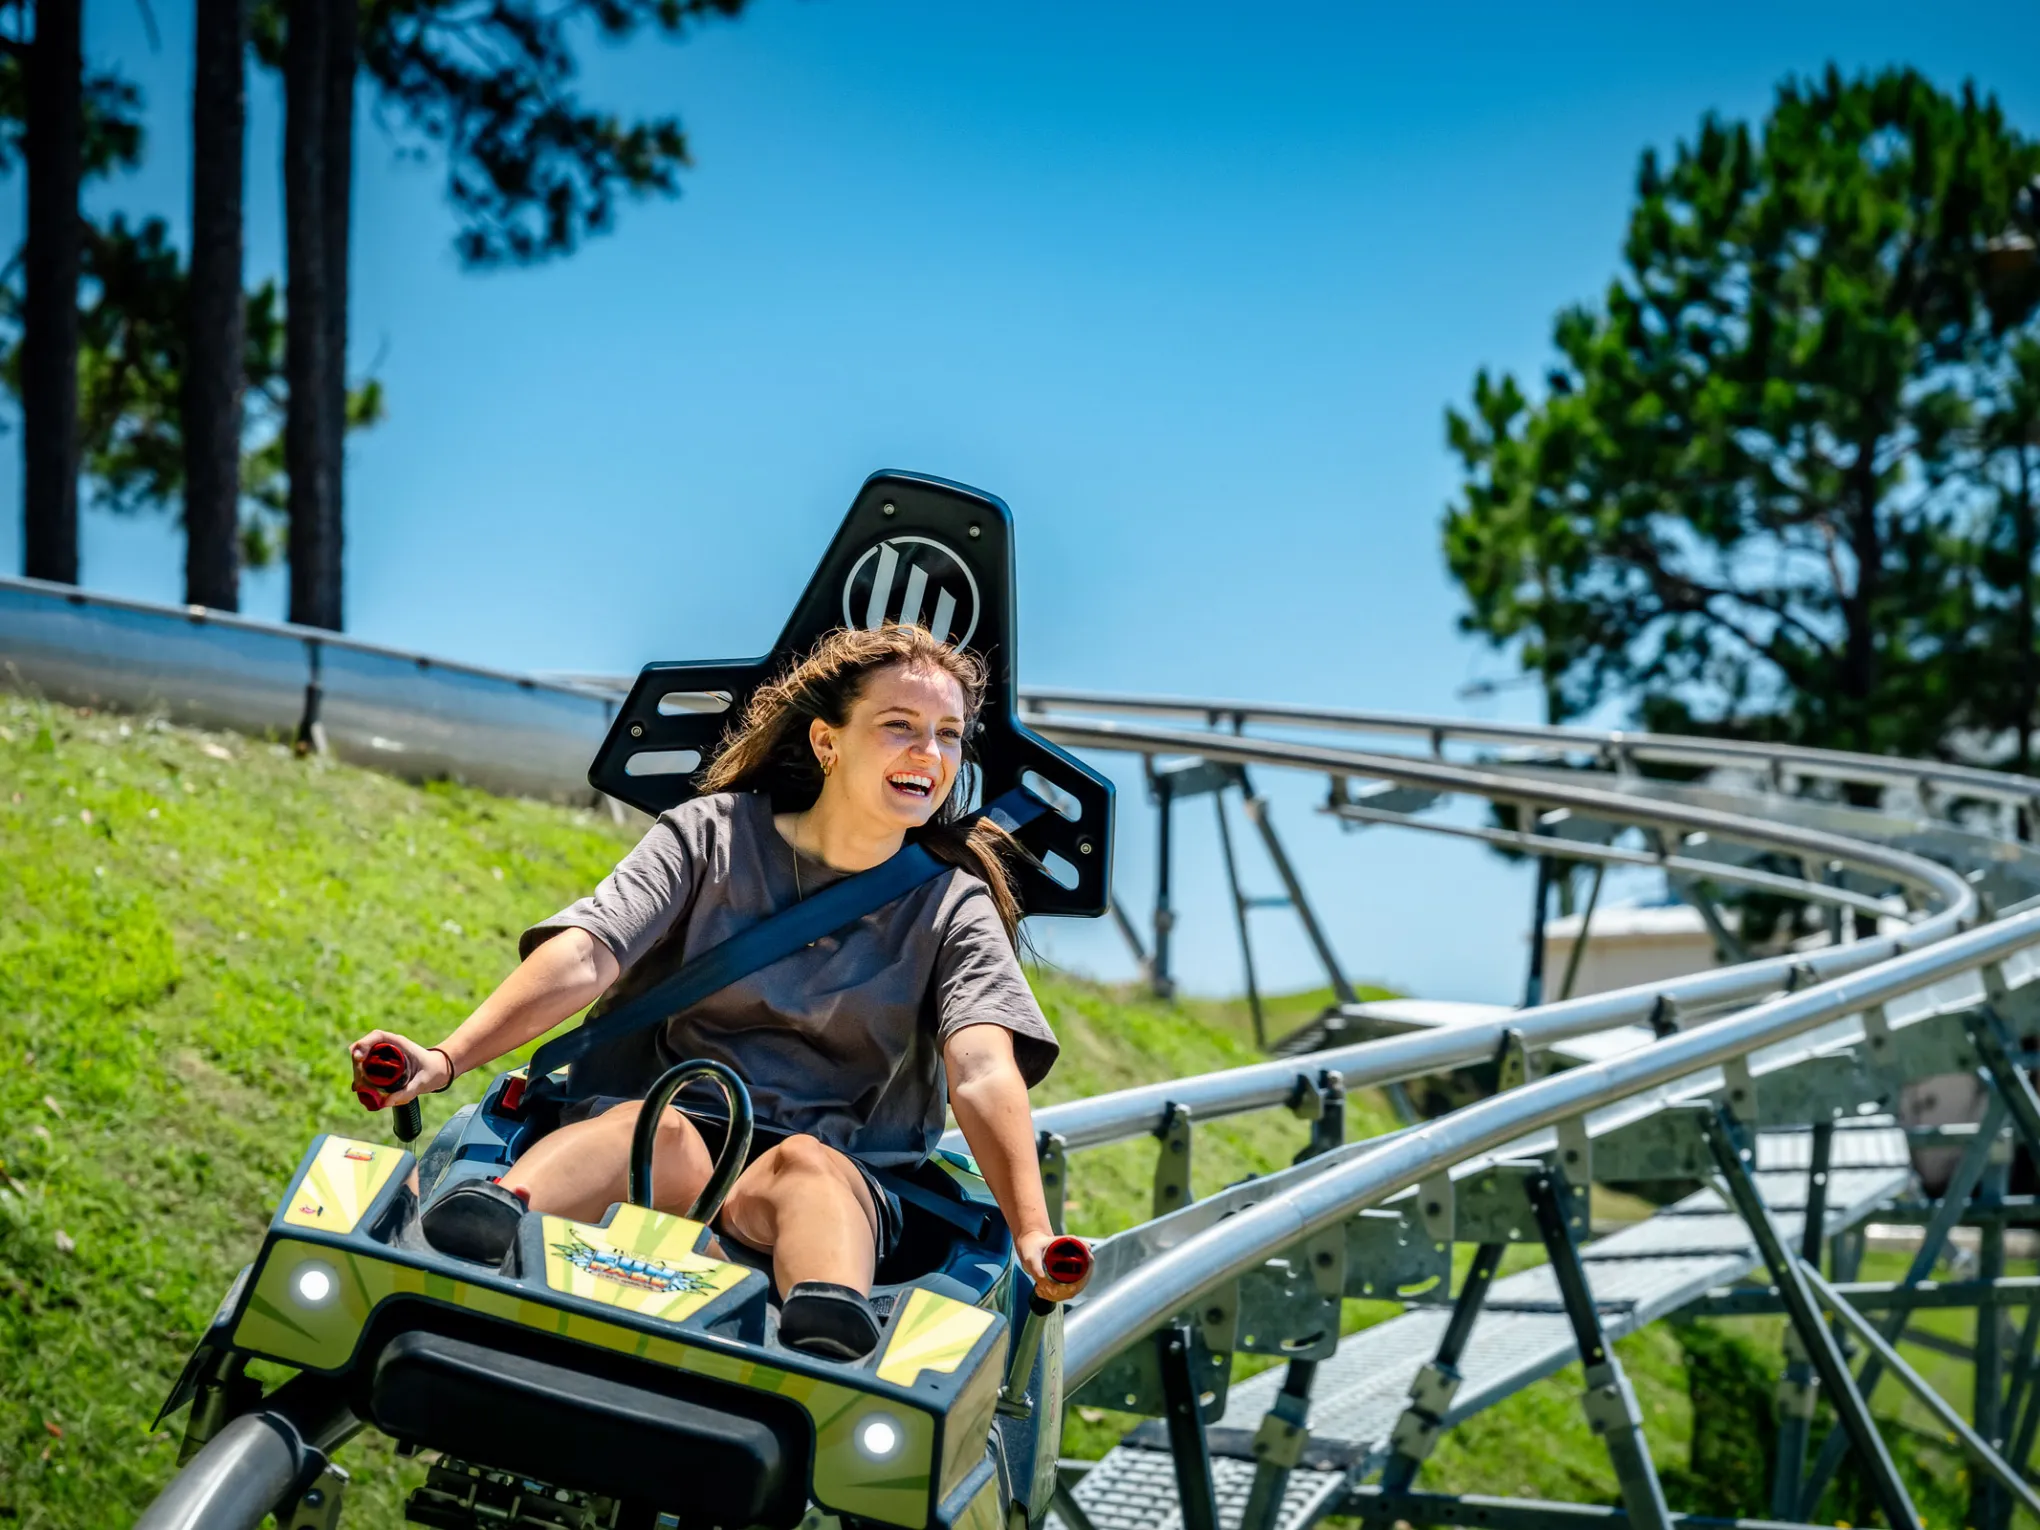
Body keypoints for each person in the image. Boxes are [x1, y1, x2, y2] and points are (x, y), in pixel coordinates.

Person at [348, 625, 1069, 1360]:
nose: (929, 754)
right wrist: (444, 1059)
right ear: (828, 742)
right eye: (900, 727)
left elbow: (980, 1068)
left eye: (949, 736)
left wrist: (1033, 1231)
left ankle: (827, 1334)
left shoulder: (954, 906)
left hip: (834, 1165)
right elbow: (590, 952)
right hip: (668, 1122)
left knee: (808, 1172)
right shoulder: (710, 835)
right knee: (655, 1133)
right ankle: (485, 1224)